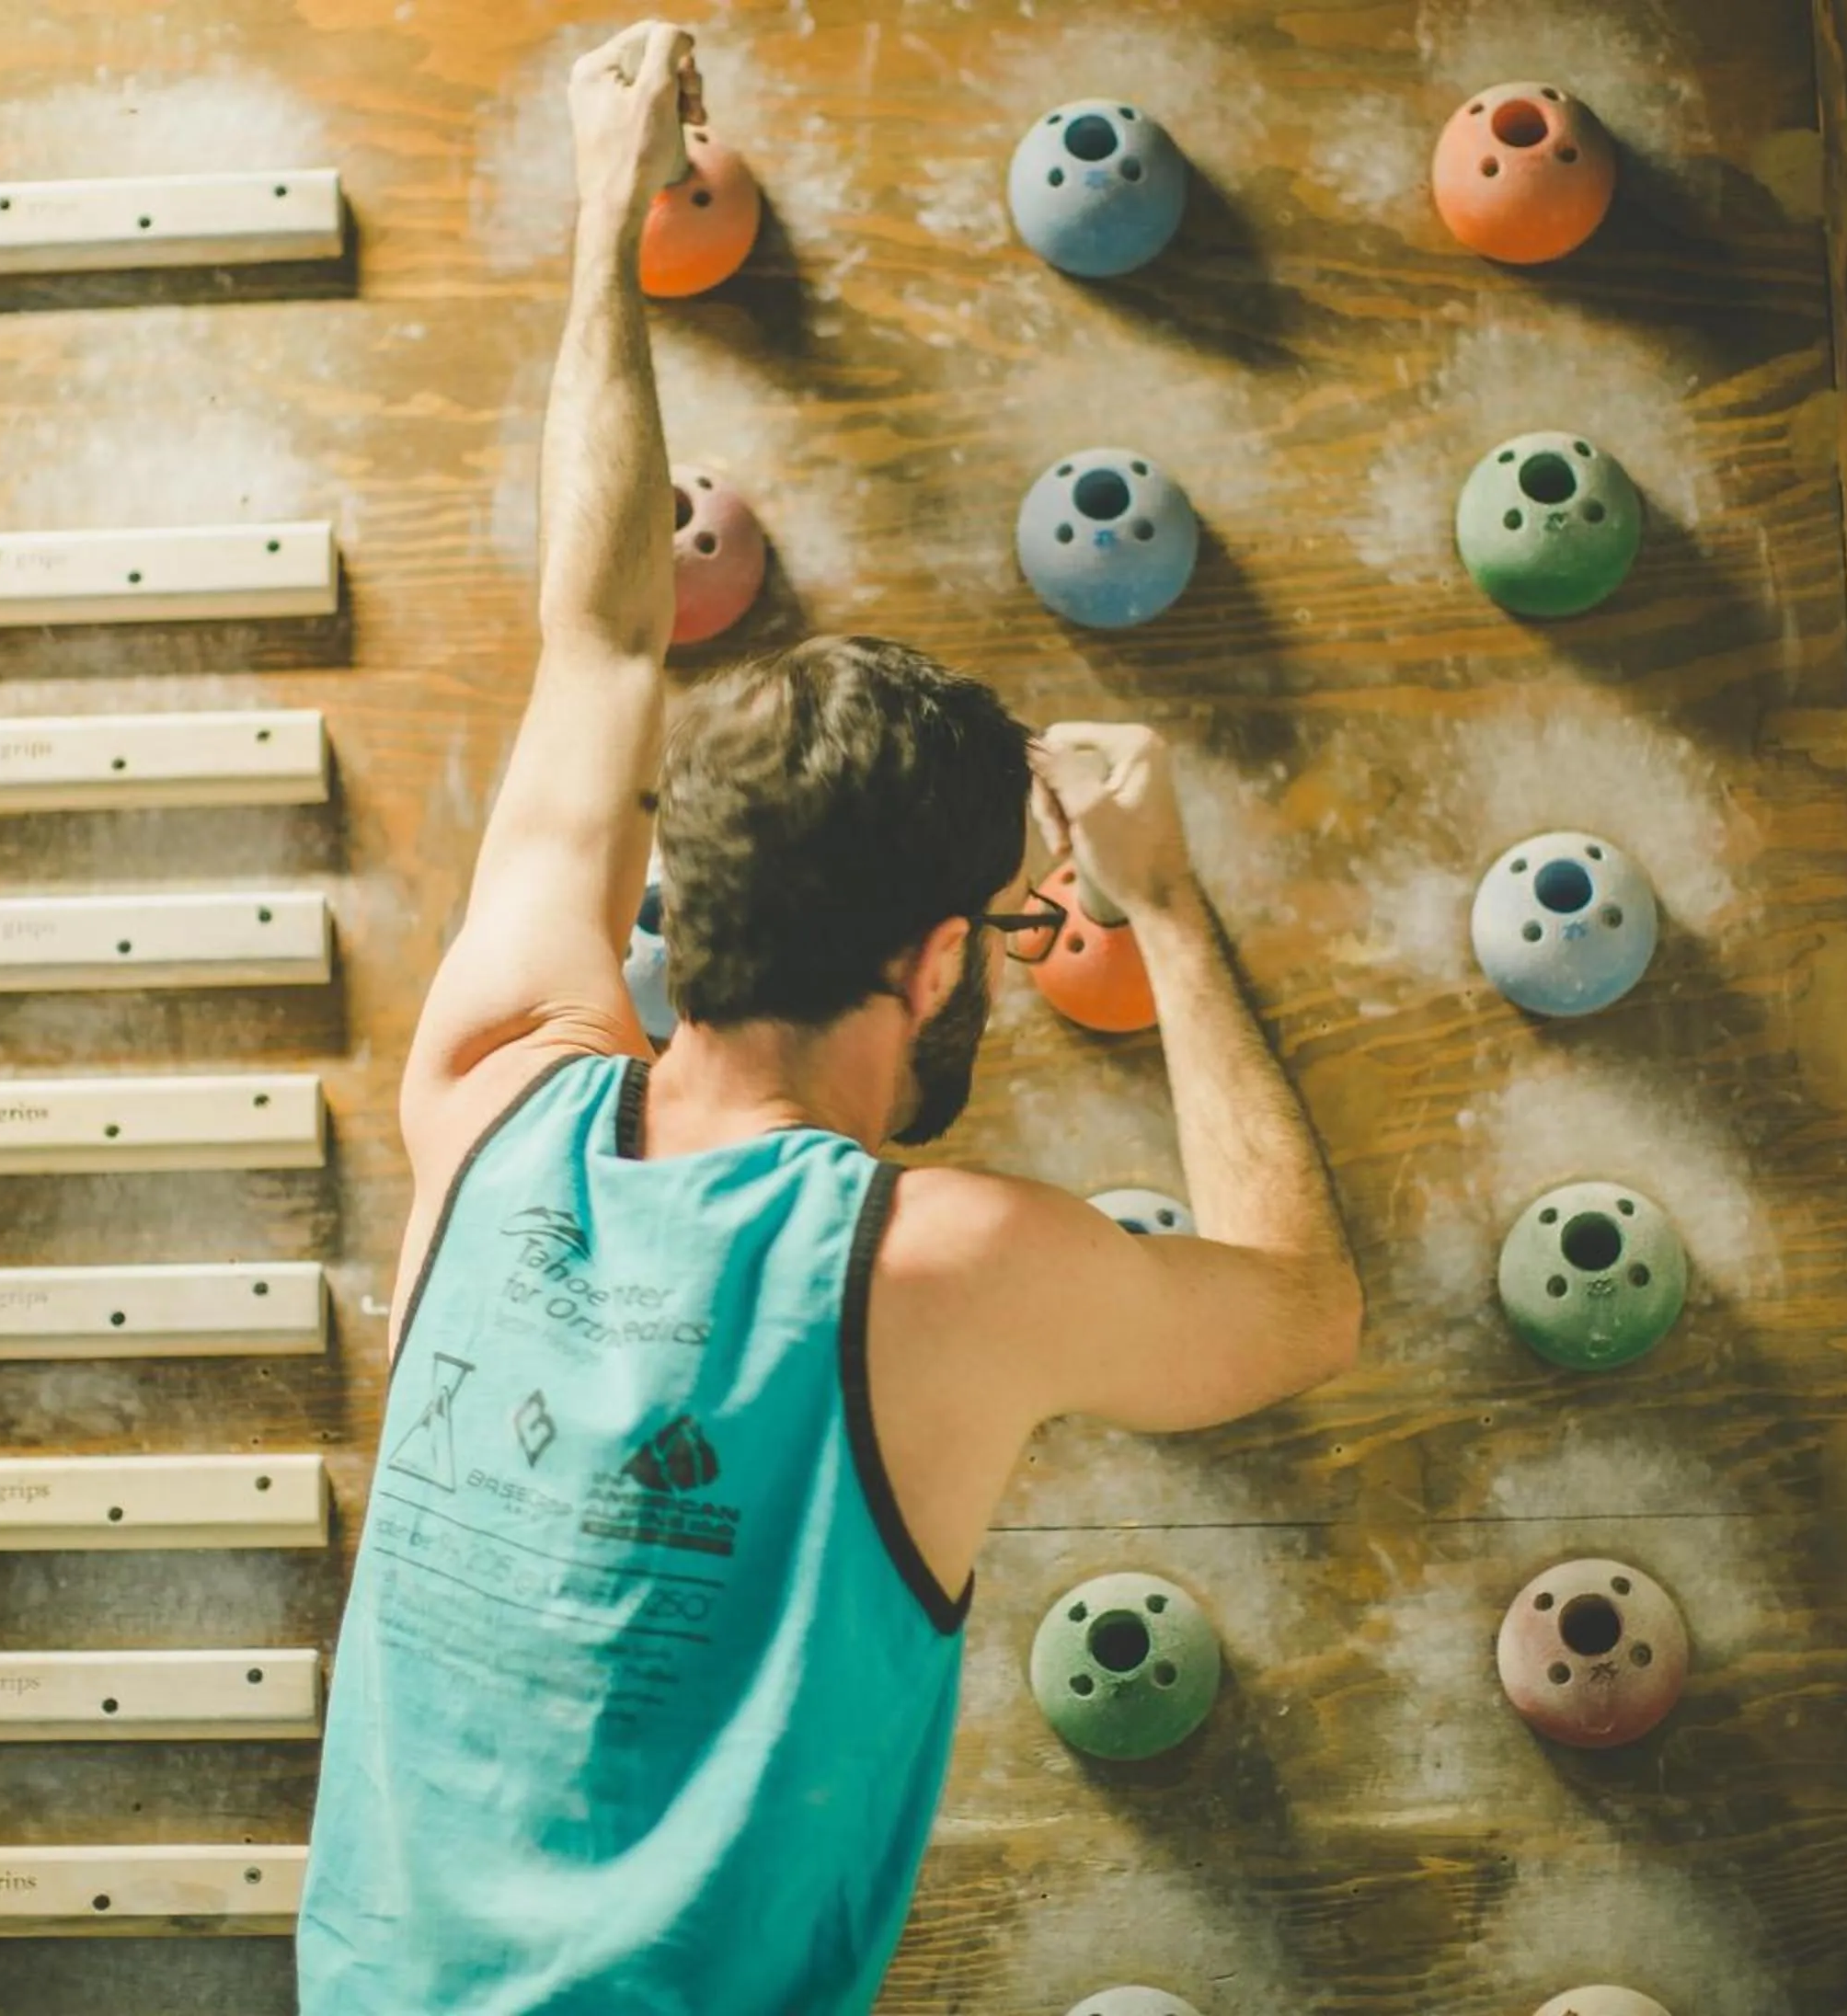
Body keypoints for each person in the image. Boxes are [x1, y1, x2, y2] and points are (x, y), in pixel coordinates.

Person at [297, 22, 1362, 2012]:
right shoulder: (935, 1263)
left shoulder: (495, 1081)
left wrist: (606, 210)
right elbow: (1304, 1311)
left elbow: (599, 630)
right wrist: (1170, 912)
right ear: (940, 963)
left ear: (682, 894)